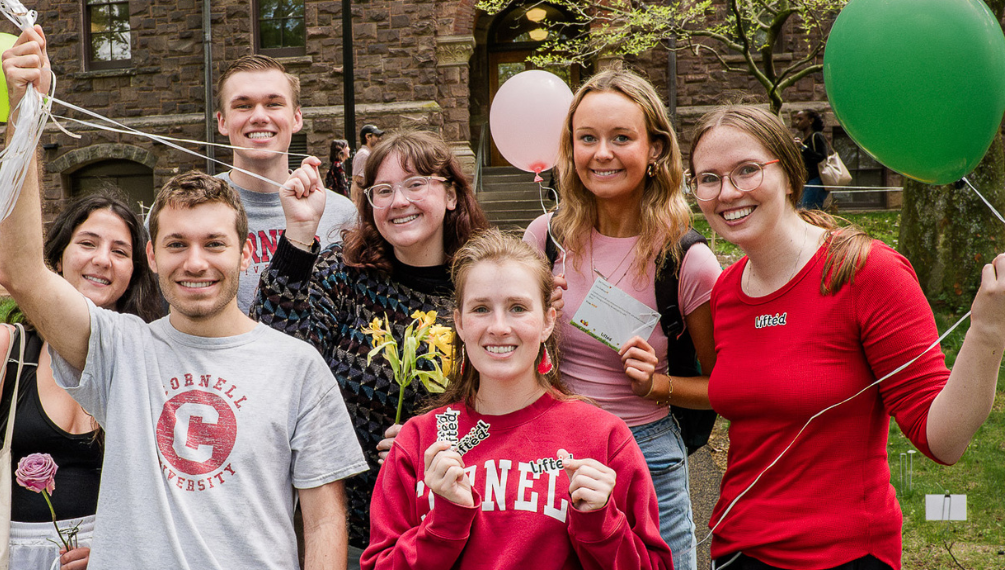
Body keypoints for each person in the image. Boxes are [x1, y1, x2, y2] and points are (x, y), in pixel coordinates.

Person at [0, 27, 367, 570]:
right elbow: (21, 270)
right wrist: (25, 113)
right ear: (151, 255)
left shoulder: (298, 367)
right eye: (176, 245)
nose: (195, 262)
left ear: (245, 256)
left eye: (214, 244)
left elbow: (325, 518)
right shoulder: (120, 351)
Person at [688, 105, 1005, 570]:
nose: (727, 192)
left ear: (790, 174)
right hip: (736, 550)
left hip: (844, 556)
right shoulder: (726, 292)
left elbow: (944, 440)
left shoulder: (866, 271)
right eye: (708, 178)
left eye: (747, 170)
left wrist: (988, 332)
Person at [362, 229, 672, 570]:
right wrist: (444, 523)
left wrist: (602, 525)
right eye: (480, 308)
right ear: (459, 324)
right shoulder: (418, 440)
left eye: (517, 308)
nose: (499, 326)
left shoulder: (603, 437)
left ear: (548, 321)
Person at [252, 129, 490, 550]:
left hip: (446, 526)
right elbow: (271, 356)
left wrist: (439, 438)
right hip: (341, 528)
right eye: (384, 190)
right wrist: (299, 235)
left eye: (416, 184)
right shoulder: (343, 273)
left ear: (452, 195)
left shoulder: (482, 289)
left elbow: (511, 408)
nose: (399, 201)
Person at [520, 69, 717, 570]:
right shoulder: (545, 239)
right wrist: (537, 325)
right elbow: (507, 353)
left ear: (655, 149)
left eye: (621, 138)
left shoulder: (685, 259)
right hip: (554, 450)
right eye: (587, 138)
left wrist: (658, 385)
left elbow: (724, 386)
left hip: (645, 453)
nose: (601, 153)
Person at [0, 190, 162, 570]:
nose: (101, 259)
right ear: (58, 259)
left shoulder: (146, 358)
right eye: (88, 243)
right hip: (8, 555)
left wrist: (114, 551)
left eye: (120, 251)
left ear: (135, 271)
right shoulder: (5, 350)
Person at [214, 54, 360, 313]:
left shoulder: (342, 214)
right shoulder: (186, 212)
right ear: (222, 121)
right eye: (243, 105)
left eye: (273, 104)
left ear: (296, 118)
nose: (259, 116)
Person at [794, 109, 830, 210]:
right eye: (796, 119)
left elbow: (821, 157)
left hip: (816, 180)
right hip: (805, 180)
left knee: (808, 211)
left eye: (800, 119)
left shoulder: (817, 136)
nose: (797, 122)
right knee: (802, 210)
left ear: (811, 121)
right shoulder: (803, 139)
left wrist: (803, 147)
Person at [351, 124, 384, 190]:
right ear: (368, 137)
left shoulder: (368, 154)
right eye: (377, 136)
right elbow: (357, 181)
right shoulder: (363, 155)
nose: (380, 139)